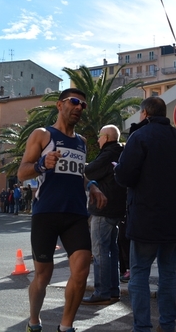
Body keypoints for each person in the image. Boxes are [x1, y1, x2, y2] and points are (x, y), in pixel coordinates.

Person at [16, 88, 106, 332]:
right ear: (59, 105)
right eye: (74, 102)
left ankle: (66, 326)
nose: (79, 107)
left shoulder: (81, 142)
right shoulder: (43, 135)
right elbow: (22, 172)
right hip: (46, 213)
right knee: (43, 276)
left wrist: (93, 186)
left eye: (83, 105)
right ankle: (34, 321)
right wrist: (41, 164)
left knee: (81, 271)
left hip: (76, 214)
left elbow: (78, 173)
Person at [114, 96, 176, 332]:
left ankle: (142, 327)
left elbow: (124, 176)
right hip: (174, 220)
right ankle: (167, 325)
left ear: (145, 114)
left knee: (139, 272)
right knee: (169, 273)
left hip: (145, 219)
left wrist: (118, 169)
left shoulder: (139, 137)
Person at [81, 124, 127, 305]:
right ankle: (114, 291)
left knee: (100, 252)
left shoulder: (108, 154)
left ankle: (102, 292)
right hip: (117, 208)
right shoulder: (122, 152)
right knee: (112, 252)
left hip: (103, 208)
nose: (98, 140)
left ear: (106, 138)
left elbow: (90, 170)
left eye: (100, 137)